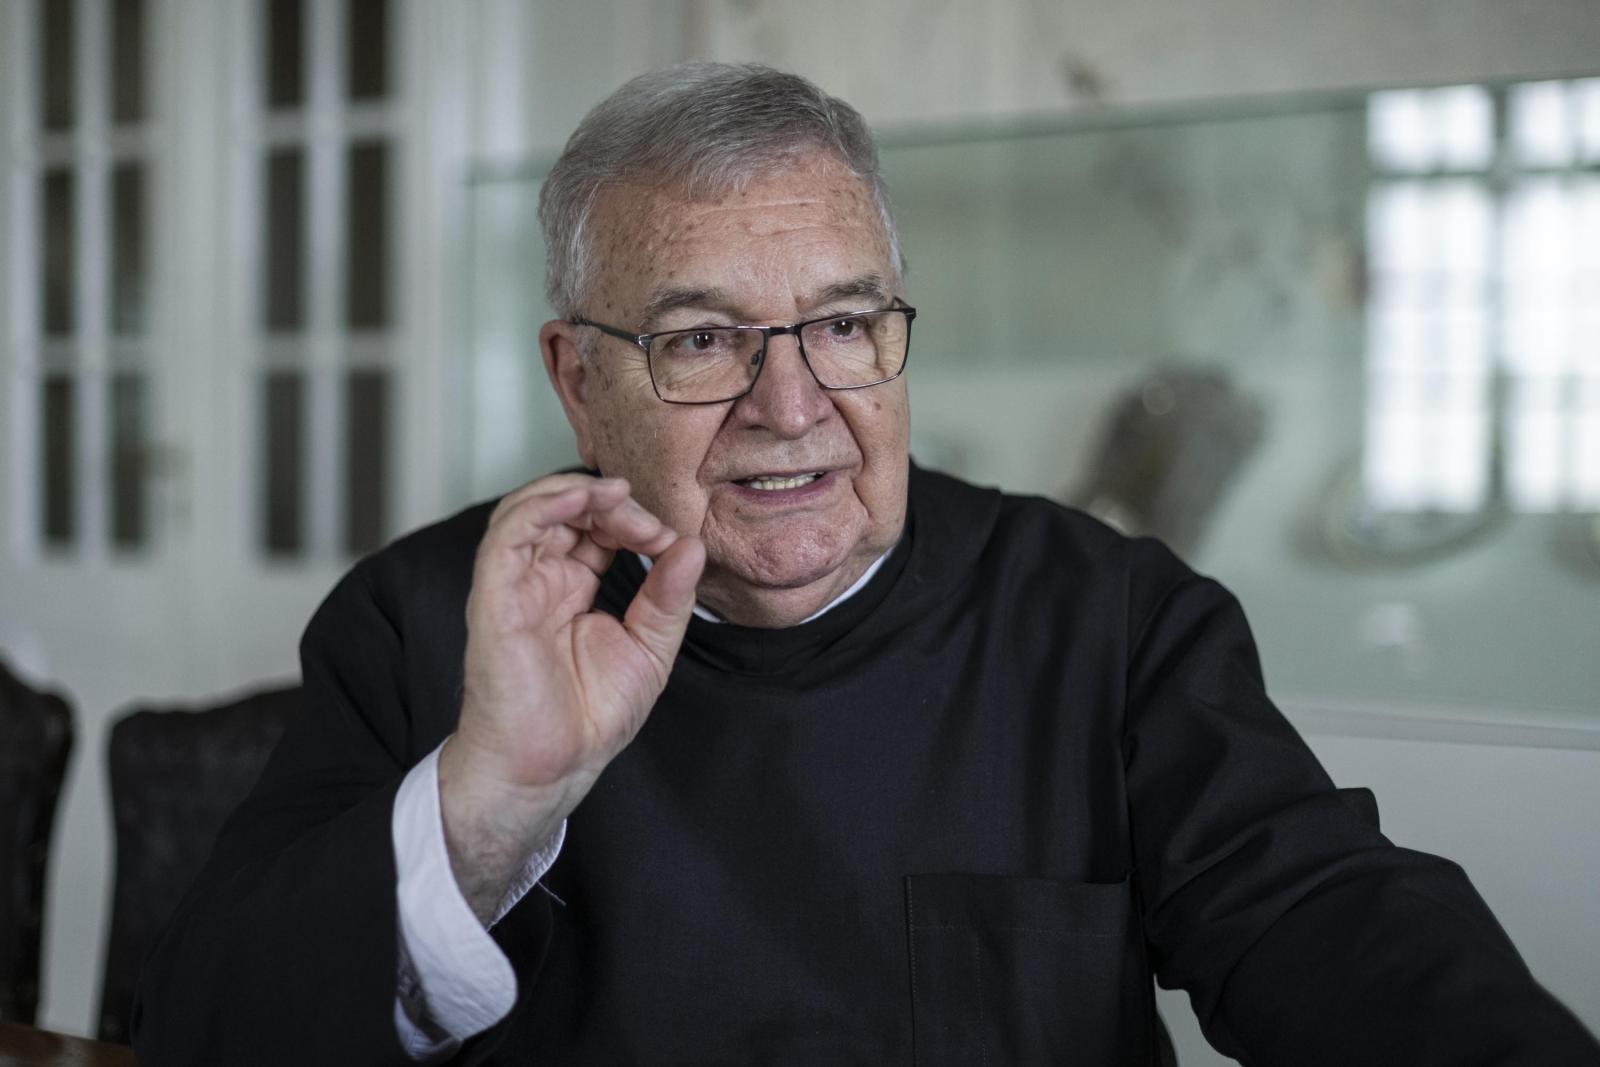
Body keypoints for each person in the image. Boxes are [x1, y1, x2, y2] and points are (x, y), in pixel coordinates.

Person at [133, 63, 1599, 1066]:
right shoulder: (424, 622)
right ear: (579, 382)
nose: (792, 407)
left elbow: (1326, 919)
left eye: (844, 325)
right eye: (703, 339)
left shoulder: (1107, 616)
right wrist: (489, 809)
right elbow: (210, 1031)